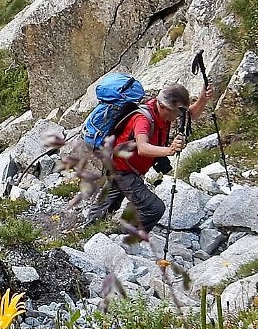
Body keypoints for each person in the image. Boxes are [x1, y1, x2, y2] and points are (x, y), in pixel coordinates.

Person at [86, 82, 214, 230]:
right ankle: (123, 236)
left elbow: (190, 115)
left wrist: (202, 99)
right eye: (177, 113)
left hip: (124, 166)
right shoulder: (143, 120)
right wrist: (169, 150)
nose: (179, 116)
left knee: (110, 201)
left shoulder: (162, 111)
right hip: (122, 170)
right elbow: (142, 148)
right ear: (163, 107)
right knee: (154, 209)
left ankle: (91, 230)